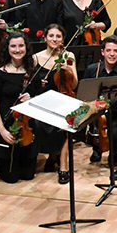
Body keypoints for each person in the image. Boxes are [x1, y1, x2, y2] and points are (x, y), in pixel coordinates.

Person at [0, 32, 40, 183]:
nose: (17, 50)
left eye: (21, 46)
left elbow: (39, 98)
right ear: (7, 48)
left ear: (26, 48)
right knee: (11, 178)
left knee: (28, 175)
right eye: (13, 46)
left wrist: (32, 98)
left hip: (26, 127)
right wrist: (2, 131)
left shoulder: (32, 72)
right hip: (6, 126)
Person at [81, 36, 117, 176]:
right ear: (102, 52)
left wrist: (107, 104)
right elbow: (85, 93)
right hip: (98, 108)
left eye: (116, 51)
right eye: (109, 50)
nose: (112, 54)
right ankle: (99, 148)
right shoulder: (93, 69)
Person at [32, 24, 78, 184]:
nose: (54, 39)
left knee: (65, 124)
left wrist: (69, 71)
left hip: (64, 99)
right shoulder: (36, 58)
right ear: (45, 37)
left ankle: (63, 166)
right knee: (38, 124)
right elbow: (31, 85)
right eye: (51, 36)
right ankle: (52, 155)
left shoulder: (68, 55)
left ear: (63, 39)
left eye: (58, 36)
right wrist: (40, 83)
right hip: (43, 101)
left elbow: (74, 85)